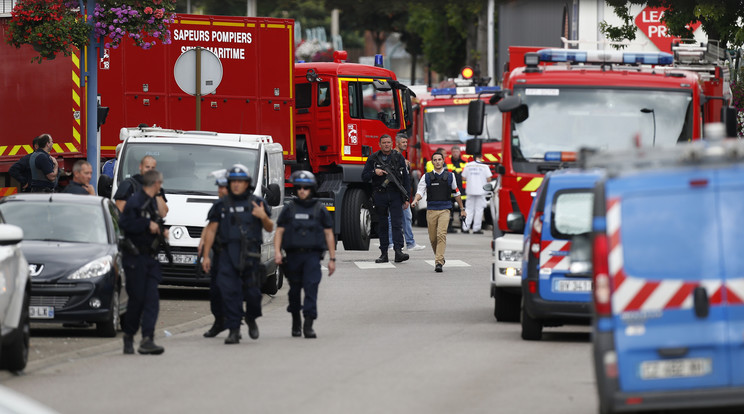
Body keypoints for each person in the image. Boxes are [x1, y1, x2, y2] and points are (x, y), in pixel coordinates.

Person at [200, 164, 274, 345]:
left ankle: (251, 318)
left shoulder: (257, 203)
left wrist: (262, 216)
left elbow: (270, 228)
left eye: (240, 181)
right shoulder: (221, 205)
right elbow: (211, 230)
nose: (236, 185)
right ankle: (234, 330)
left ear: (247, 183)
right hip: (226, 255)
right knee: (230, 293)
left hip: (250, 255)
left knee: (253, 295)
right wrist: (206, 256)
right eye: (233, 181)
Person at [274, 170, 336, 338]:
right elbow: (279, 231)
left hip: (312, 257)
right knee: (294, 291)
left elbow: (329, 233)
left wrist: (332, 258)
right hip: (293, 257)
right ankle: (296, 320)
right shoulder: (289, 208)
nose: (302, 190)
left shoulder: (319, 209)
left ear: (311, 189)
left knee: (311, 289)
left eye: (306, 188)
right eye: (299, 187)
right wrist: (277, 252)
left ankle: (308, 323)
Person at [119, 169, 168, 355]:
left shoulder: (152, 203)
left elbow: (155, 221)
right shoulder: (135, 202)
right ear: (155, 184)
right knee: (137, 301)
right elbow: (125, 224)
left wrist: (160, 231)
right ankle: (129, 336)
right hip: (135, 259)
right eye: (160, 184)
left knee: (152, 301)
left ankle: (148, 338)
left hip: (150, 259)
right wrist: (146, 225)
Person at [410, 152, 466, 272]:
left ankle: (438, 262)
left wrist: (462, 209)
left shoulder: (450, 176)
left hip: (445, 210)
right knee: (433, 238)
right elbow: (420, 191)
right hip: (431, 210)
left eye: (439, 159)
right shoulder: (427, 176)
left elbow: (456, 193)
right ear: (432, 162)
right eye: (435, 160)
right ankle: (440, 256)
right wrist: (415, 200)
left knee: (441, 235)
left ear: (443, 161)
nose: (437, 162)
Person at [361, 134, 410, 264]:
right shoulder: (373, 158)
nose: (386, 145)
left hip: (395, 194)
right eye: (384, 143)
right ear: (379, 144)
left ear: (392, 143)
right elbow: (364, 176)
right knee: (382, 225)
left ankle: (398, 251)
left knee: (397, 224)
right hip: (380, 194)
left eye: (388, 142)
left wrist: (406, 198)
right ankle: (384, 253)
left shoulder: (398, 157)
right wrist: (374, 172)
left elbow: (405, 178)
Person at [199, 170, 229, 338]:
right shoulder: (218, 206)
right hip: (220, 253)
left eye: (223, 187)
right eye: (219, 188)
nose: (220, 191)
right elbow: (210, 227)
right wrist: (203, 244)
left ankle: (234, 322)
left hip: (236, 255)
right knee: (216, 291)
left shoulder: (241, 203)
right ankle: (219, 321)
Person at [387, 134, 425, 251]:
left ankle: (410, 243)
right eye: (403, 142)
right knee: (391, 218)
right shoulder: (393, 157)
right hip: (393, 194)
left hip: (402, 194)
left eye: (406, 142)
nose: (405, 144)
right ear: (397, 143)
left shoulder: (402, 158)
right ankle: (391, 243)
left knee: (407, 217)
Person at [461, 158, 492, 234]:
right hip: (481, 191)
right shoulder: (484, 166)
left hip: (470, 190)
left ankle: (465, 228)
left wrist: (472, 178)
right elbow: (489, 179)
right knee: (479, 210)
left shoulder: (468, 166)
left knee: (468, 209)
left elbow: (463, 177)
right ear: (481, 157)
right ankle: (476, 229)